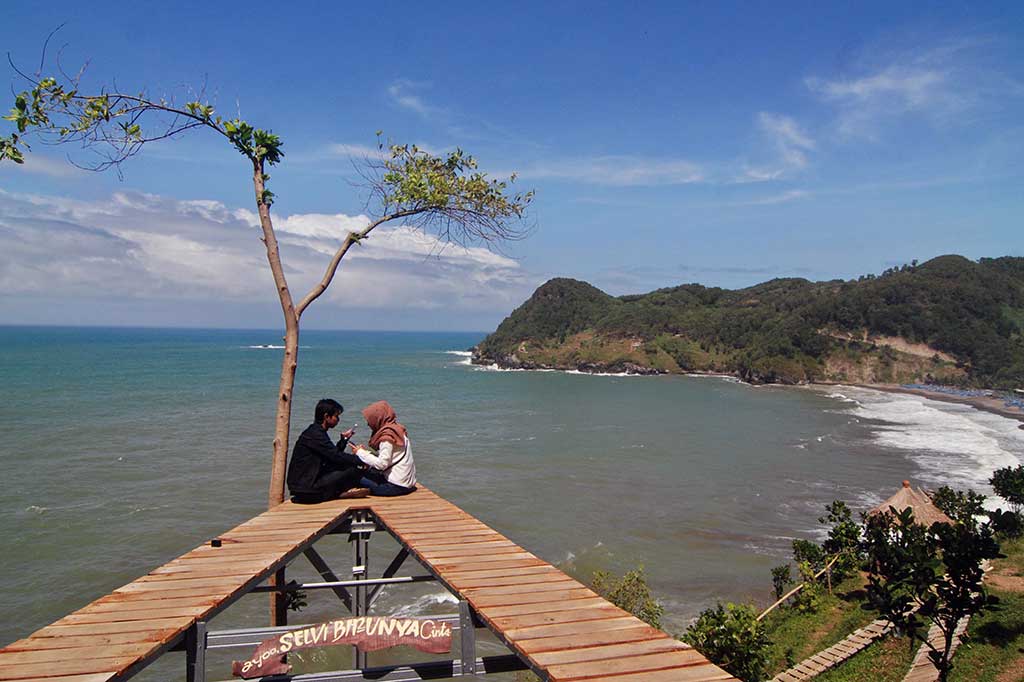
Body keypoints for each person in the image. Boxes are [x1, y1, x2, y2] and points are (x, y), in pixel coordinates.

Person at [286, 398, 369, 503]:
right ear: (326, 417)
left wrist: (343, 441)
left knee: (346, 465)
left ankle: (337, 491)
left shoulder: (314, 431)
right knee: (354, 469)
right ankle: (337, 493)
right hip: (307, 490)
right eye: (336, 416)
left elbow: (331, 456)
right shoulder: (316, 435)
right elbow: (336, 456)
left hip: (302, 487)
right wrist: (362, 459)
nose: (338, 419)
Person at [351, 400, 417, 496]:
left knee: (353, 475)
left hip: (394, 487)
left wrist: (360, 452)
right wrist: (365, 453)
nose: (368, 424)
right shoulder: (398, 430)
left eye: (370, 420)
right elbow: (390, 457)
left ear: (377, 419)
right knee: (366, 472)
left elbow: (382, 464)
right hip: (408, 485)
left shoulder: (387, 437)